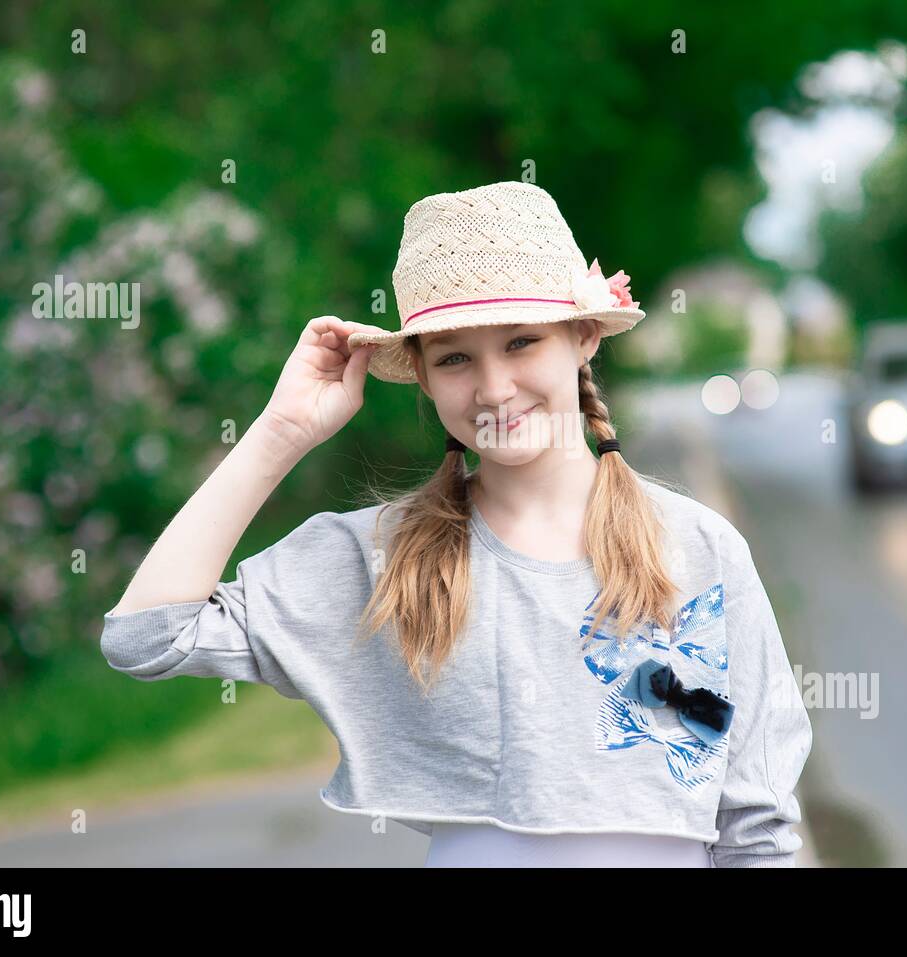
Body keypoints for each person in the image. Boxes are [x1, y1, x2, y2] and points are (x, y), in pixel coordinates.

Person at [100, 181, 813, 868]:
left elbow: (757, 824)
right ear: (421, 371)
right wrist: (280, 432)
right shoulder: (382, 559)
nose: (494, 387)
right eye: (454, 358)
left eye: (522, 342)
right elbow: (147, 636)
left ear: (585, 335)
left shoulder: (695, 548)